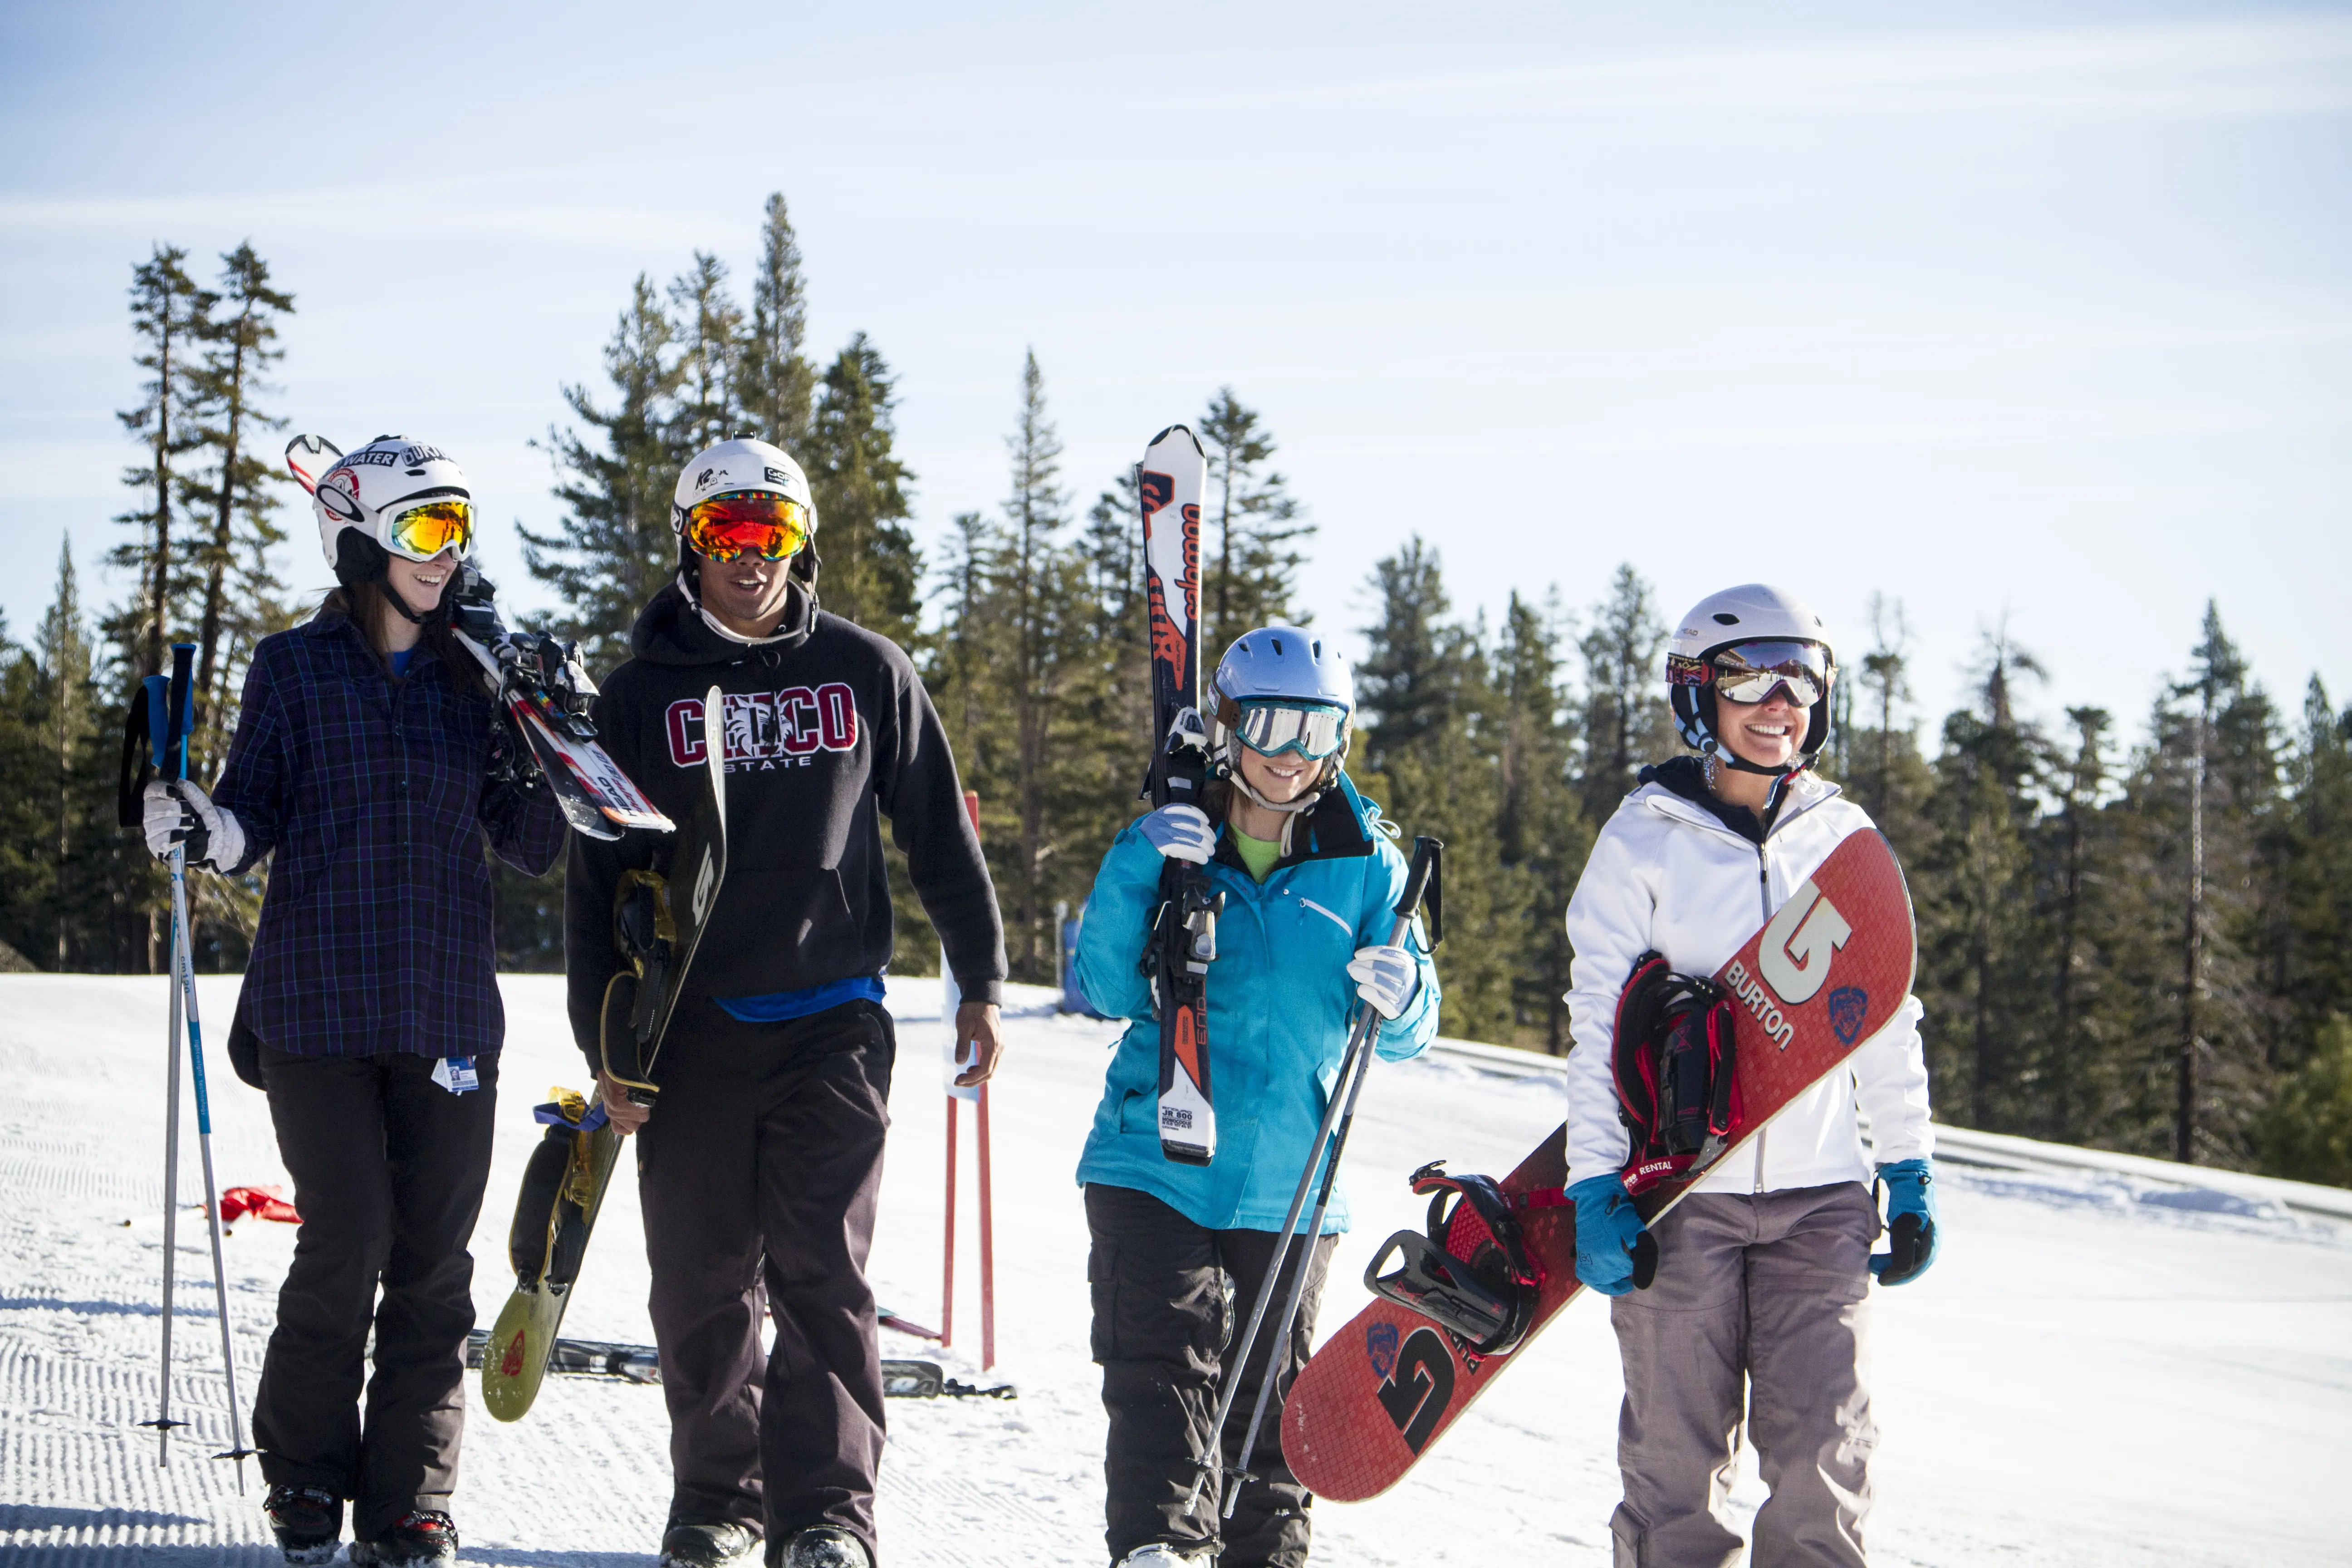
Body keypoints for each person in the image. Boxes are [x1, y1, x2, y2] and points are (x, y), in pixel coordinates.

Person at [563, 437, 1008, 1568]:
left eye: (771, 531)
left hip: (834, 1021)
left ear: (801, 541)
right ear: (690, 547)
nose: (749, 555)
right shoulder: (636, 697)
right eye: (725, 533)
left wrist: (983, 984)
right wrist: (601, 1045)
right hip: (691, 1032)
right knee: (702, 1282)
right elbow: (595, 879)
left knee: (822, 1269)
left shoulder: (865, 671)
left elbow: (940, 838)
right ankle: (717, 1500)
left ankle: (826, 1517)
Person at [142, 436, 568, 1566]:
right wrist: (198, 826)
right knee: (347, 1239)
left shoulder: (477, 675)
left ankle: (410, 1497)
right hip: (318, 1011)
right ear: (363, 539)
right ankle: (306, 1474)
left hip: (443, 1014)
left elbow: (531, 847)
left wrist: (543, 733)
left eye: (459, 528)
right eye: (426, 528)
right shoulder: (293, 667)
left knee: (434, 1263)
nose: (449, 552)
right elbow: (249, 819)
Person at [1560, 583, 1938, 1568]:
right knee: (1676, 1474)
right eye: (1752, 680)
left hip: (1821, 1202)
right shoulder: (1642, 840)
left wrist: (1907, 1165)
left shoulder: (1843, 841)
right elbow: (1599, 1022)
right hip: (1682, 1198)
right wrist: (1594, 1184)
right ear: (1699, 698)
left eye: (1802, 682)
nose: (1781, 705)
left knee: (1825, 1461)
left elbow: (1887, 1014)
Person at [1073, 625, 1443, 1568]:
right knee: (1162, 1371)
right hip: (1154, 1157)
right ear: (1229, 726)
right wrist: (1139, 861)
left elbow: (1408, 1031)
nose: (1292, 757)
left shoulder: (1368, 862)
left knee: (1278, 1400)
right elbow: (1108, 989)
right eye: (1273, 727)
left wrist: (1404, 995)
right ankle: (1159, 1546)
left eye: (1318, 732)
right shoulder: (1173, 841)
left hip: (1291, 1178)